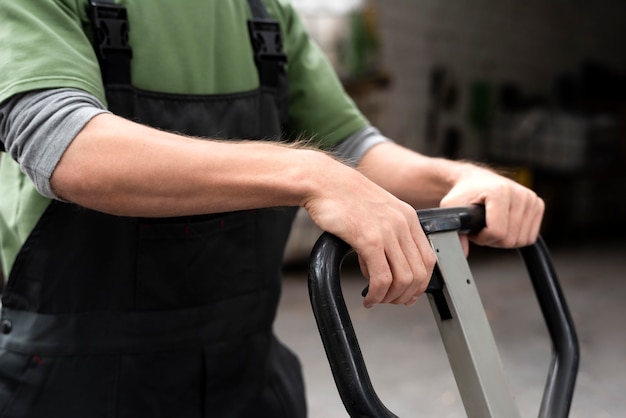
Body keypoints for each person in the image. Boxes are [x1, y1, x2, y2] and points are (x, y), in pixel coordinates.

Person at [0, 0, 544, 417]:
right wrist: (311, 175)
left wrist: (457, 176)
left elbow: (351, 146)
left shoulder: (262, 11)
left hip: (247, 376)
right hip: (74, 383)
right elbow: (65, 144)